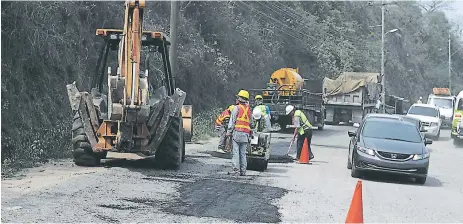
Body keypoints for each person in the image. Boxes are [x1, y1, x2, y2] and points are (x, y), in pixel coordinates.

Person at [227, 90, 252, 176]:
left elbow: (232, 121)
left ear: (240, 99)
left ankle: (236, 171)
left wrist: (228, 132)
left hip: (237, 133)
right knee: (243, 153)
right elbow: (251, 122)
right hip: (245, 134)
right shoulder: (249, 110)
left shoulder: (236, 108)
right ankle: (243, 171)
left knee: (236, 152)